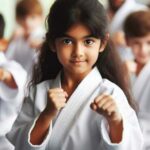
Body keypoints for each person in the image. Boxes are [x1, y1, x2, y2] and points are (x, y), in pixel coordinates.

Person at [7, 0, 143, 150]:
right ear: (52, 43)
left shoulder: (111, 95)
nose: (78, 52)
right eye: (67, 41)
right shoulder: (39, 92)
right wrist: (46, 115)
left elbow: (133, 146)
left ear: (102, 43)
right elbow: (19, 144)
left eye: (88, 41)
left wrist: (116, 121)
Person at [124, 10, 150, 150]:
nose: (143, 50)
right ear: (127, 41)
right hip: (127, 137)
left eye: (148, 42)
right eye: (137, 43)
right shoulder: (123, 68)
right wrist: (122, 77)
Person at [0, 14, 27, 150]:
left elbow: (12, 80)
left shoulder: (12, 68)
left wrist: (4, 75)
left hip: (5, 141)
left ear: (3, 44)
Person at [6, 0, 45, 77]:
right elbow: (8, 60)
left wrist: (44, 45)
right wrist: (10, 40)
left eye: (33, 17)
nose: (27, 22)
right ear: (17, 19)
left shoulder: (43, 38)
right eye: (23, 18)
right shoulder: (17, 36)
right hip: (17, 80)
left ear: (41, 18)